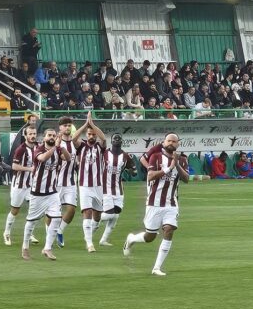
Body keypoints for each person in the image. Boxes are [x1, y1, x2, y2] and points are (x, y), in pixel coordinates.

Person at [123, 133, 189, 277]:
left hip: (171, 203)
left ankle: (157, 267)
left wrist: (176, 163)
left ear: (178, 144)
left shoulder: (182, 159)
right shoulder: (156, 156)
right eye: (169, 141)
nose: (171, 143)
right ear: (164, 142)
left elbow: (186, 179)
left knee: (169, 230)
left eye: (174, 141)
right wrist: (168, 168)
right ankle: (132, 239)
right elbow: (150, 175)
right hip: (154, 202)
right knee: (150, 237)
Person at [22, 128, 70, 261]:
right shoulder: (39, 149)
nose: (52, 137)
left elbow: (68, 158)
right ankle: (25, 247)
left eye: (54, 136)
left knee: (56, 218)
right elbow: (42, 159)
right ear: (44, 138)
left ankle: (47, 248)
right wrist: (55, 147)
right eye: (49, 135)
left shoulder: (58, 149)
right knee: (31, 221)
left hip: (52, 192)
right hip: (37, 193)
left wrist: (62, 147)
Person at [72, 111, 107, 253]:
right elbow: (74, 138)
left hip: (98, 186)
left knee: (97, 216)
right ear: (86, 135)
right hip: (85, 185)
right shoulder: (82, 146)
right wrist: (85, 125)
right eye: (89, 134)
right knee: (87, 212)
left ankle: (89, 236)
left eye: (93, 134)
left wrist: (92, 124)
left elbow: (103, 139)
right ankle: (89, 243)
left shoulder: (100, 146)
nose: (92, 136)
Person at [4, 125, 38, 246]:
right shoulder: (21, 149)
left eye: (34, 133)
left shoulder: (37, 147)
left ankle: (29, 233)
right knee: (15, 210)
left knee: (34, 209)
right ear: (25, 135)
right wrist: (30, 169)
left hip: (31, 185)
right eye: (30, 134)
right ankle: (7, 233)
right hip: (19, 184)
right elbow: (14, 166)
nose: (33, 136)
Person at [97, 133, 134, 246]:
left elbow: (133, 170)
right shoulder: (105, 153)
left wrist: (132, 171)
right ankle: (93, 221)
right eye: (114, 139)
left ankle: (103, 240)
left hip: (118, 189)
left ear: (122, 141)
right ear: (111, 141)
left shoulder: (125, 156)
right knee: (109, 215)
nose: (117, 140)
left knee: (116, 215)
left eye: (119, 139)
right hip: (105, 188)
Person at [55, 116, 78, 247]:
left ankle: (59, 231)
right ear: (60, 127)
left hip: (70, 181)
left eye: (69, 125)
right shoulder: (57, 143)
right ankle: (50, 234)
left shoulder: (75, 143)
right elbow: (63, 158)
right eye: (65, 125)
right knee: (53, 212)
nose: (67, 127)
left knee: (71, 209)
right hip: (56, 182)